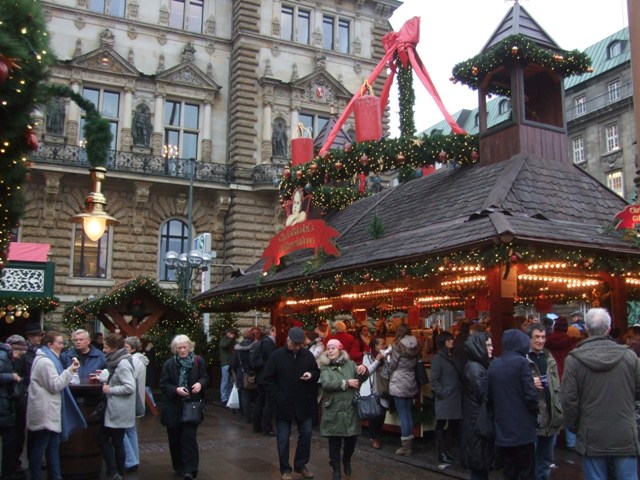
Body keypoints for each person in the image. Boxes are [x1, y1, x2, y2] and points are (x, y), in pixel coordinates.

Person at [561, 308, 640, 480]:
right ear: (609, 328)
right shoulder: (630, 357)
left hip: (591, 434)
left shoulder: (574, 360)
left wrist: (576, 427)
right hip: (624, 432)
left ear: (586, 329)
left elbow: (568, 400)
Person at [27, 331, 86, 480]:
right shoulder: (46, 362)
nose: (62, 346)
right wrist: (71, 370)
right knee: (41, 446)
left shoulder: (50, 359)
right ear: (49, 344)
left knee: (52, 446)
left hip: (48, 410)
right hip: (45, 411)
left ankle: (55, 476)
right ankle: (36, 476)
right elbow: (55, 385)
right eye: (59, 343)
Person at [262, 327, 320, 480]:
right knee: (283, 437)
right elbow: (267, 379)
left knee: (306, 434)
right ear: (288, 340)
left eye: (300, 344)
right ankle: (285, 469)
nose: (298, 347)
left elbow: (316, 372)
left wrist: (311, 375)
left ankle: (300, 465)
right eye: (296, 344)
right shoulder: (276, 356)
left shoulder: (307, 355)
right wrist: (278, 396)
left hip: (303, 402)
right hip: (284, 404)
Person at [488, 329, 539, 480]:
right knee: (526, 470)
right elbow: (530, 395)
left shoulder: (494, 365)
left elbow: (488, 397)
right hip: (523, 428)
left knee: (509, 471)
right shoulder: (522, 363)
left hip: (503, 428)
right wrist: (534, 413)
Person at [159, 335, 209, 480]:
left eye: (184, 347)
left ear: (189, 347)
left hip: (191, 406)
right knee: (174, 439)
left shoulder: (198, 361)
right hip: (173, 407)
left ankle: (190, 470)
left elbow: (205, 377)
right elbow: (163, 384)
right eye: (179, 348)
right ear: (175, 349)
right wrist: (176, 390)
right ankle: (179, 466)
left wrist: (200, 383)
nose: (182, 350)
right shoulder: (169, 364)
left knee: (189, 438)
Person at [318, 339, 368, 480]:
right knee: (334, 442)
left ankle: (346, 459)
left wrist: (363, 371)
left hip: (349, 409)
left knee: (351, 440)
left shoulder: (350, 364)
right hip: (333, 409)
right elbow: (326, 384)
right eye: (328, 348)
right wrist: (346, 383)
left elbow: (360, 379)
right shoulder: (325, 367)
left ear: (340, 349)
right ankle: (336, 469)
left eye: (333, 347)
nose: (330, 350)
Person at [526, 323, 563, 480]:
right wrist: (529, 383)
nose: (540, 341)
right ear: (529, 338)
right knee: (531, 462)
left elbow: (557, 387)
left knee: (545, 462)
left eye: (542, 337)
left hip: (551, 416)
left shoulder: (549, 358)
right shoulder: (523, 359)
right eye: (536, 337)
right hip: (534, 417)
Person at [98, 334, 136, 480]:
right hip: (116, 409)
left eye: (106, 347)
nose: (104, 350)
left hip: (119, 410)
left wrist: (110, 390)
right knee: (115, 441)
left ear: (114, 348)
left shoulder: (122, 364)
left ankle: (115, 471)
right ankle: (116, 472)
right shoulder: (116, 361)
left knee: (110, 440)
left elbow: (129, 387)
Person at [460, 332, 497, 480]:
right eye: (488, 345)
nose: (492, 348)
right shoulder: (475, 368)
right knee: (479, 462)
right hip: (477, 421)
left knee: (480, 463)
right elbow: (484, 394)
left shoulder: (478, 366)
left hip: (476, 419)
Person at [387, 323, 420, 456]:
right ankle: (410, 442)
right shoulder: (416, 345)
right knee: (408, 412)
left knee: (403, 414)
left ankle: (406, 447)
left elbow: (393, 365)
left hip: (399, 380)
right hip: (411, 379)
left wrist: (388, 365)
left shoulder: (398, 346)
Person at [431, 331, 462, 464]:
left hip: (454, 396)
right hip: (446, 397)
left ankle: (447, 449)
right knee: (442, 424)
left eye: (452, 339)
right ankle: (442, 452)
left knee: (453, 424)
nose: (451, 341)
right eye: (449, 340)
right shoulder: (438, 358)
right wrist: (443, 392)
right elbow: (434, 379)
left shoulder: (452, 356)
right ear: (443, 342)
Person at [0, 336, 27, 480]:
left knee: (10, 439)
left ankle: (8, 471)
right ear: (13, 348)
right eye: (19, 353)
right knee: (9, 439)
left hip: (5, 404)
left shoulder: (7, 356)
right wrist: (11, 376)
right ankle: (7, 473)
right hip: (2, 405)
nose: (19, 357)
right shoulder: (3, 356)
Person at [19, 323, 44, 470]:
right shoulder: (24, 353)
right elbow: (20, 374)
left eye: (40, 335)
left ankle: (36, 459)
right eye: (36, 335)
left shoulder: (40, 352)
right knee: (29, 429)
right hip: (28, 394)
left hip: (39, 394)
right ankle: (30, 460)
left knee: (37, 429)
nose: (38, 338)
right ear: (29, 336)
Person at [123, 336, 148, 473]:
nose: (123, 349)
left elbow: (129, 380)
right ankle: (134, 459)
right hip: (136, 399)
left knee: (124, 430)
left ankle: (131, 460)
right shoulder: (140, 360)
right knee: (131, 430)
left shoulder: (133, 361)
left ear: (133, 349)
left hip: (130, 400)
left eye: (126, 347)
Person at [361, 336, 390, 449]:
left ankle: (378, 435)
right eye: (382, 344)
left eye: (384, 344)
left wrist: (387, 360)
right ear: (376, 346)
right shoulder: (367, 357)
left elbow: (389, 372)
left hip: (384, 388)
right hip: (372, 389)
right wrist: (377, 361)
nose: (384, 346)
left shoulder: (386, 357)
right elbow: (367, 371)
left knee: (382, 413)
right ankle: (374, 437)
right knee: (374, 414)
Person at [253, 325, 277, 436]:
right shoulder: (269, 343)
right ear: (271, 332)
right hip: (267, 377)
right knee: (269, 402)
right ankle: (267, 428)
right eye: (275, 331)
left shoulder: (260, 342)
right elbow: (272, 361)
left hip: (260, 376)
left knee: (260, 401)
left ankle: (256, 425)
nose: (276, 334)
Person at [232, 329, 259, 425]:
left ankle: (246, 417)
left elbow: (234, 363)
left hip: (241, 373)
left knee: (244, 396)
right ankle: (256, 416)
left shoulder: (237, 348)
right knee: (256, 396)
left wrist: (237, 372)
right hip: (253, 374)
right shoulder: (256, 346)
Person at [218, 329, 236, 405]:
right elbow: (224, 345)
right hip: (225, 363)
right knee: (225, 380)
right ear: (227, 333)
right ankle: (224, 397)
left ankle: (229, 397)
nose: (232, 335)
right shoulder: (224, 339)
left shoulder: (231, 340)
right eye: (231, 333)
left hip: (231, 362)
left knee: (230, 381)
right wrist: (231, 339)